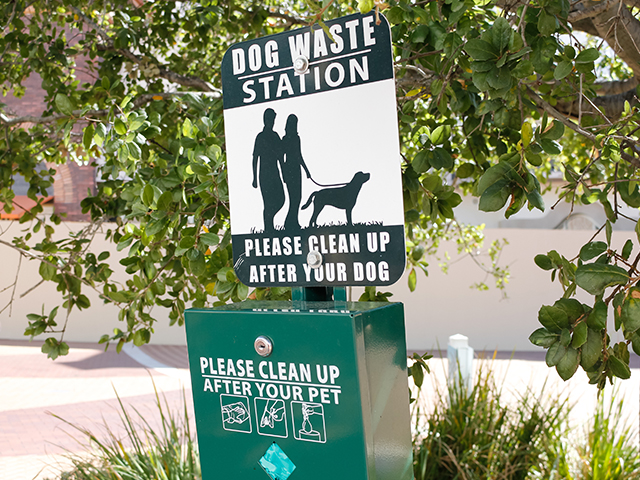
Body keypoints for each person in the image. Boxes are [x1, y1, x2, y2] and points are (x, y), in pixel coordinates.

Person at [252, 108, 285, 232]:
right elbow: (255, 158)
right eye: (270, 119)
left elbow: (280, 157)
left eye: (273, 120)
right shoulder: (260, 137)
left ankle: (269, 225)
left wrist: (285, 173)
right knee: (267, 202)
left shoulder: (275, 136)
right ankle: (268, 229)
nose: (272, 122)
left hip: (275, 173)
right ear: (265, 120)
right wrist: (254, 177)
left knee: (281, 199)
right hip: (264, 174)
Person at [281, 114, 311, 230]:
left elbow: (299, 155)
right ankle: (289, 223)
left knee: (297, 198)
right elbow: (281, 157)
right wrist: (283, 172)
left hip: (296, 169)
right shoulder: (286, 139)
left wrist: (306, 170)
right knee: (294, 198)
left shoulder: (296, 138)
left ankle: (293, 221)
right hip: (289, 169)